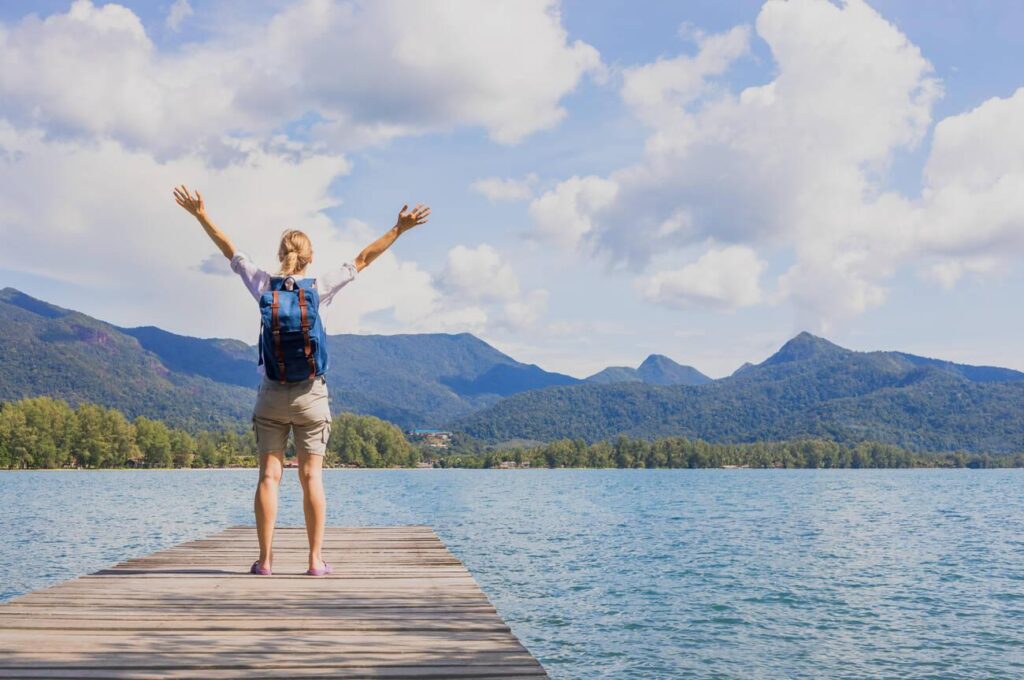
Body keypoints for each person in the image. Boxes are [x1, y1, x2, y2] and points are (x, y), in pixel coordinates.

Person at [173, 184, 430, 576]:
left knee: (269, 476)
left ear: (281, 256)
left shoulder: (263, 285)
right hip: (312, 395)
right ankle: (314, 561)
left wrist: (200, 213)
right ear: (310, 259)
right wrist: (399, 229)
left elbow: (230, 250)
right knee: (311, 476)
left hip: (271, 395)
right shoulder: (320, 289)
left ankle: (265, 561)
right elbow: (363, 259)